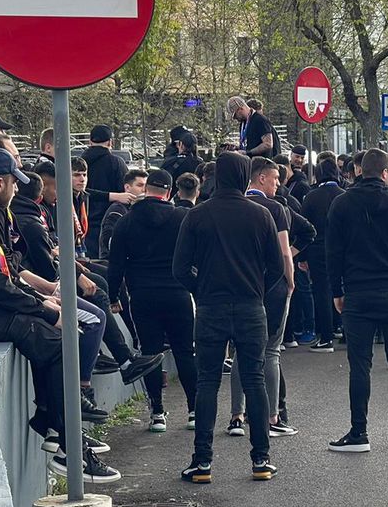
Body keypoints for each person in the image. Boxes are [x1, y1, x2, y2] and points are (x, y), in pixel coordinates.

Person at [0, 147, 121, 483]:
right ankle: (67, 447)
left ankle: (58, 430)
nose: (17, 189)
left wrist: (40, 300)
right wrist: (41, 307)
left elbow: (6, 274)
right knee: (53, 339)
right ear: (0, 183)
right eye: (15, 183)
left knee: (53, 335)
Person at [173, 152, 282, 483]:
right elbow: (277, 267)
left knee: (208, 381)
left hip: (211, 308)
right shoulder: (261, 215)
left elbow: (179, 268)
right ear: (246, 177)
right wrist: (257, 289)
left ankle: (202, 461)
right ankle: (261, 459)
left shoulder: (197, 216)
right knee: (254, 380)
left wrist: (201, 289)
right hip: (251, 307)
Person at [325, 149, 388, 452]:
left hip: (358, 293)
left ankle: (359, 432)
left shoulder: (341, 204)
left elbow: (333, 254)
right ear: (386, 172)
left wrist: (336, 292)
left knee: (360, 365)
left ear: (358, 171)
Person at [106, 169, 199, 432]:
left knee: (150, 352)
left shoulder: (126, 221)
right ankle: (193, 410)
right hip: (178, 293)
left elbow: (115, 266)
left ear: (147, 190)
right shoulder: (182, 217)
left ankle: (158, 412)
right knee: (185, 351)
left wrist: (113, 296)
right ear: (169, 192)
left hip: (142, 295)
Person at [225, 158, 299, 439]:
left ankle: (236, 415)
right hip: (272, 286)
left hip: (241, 285)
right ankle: (272, 416)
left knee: (241, 351)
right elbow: (283, 253)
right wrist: (290, 281)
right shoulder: (275, 208)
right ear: (261, 179)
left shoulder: (235, 207)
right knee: (270, 350)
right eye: (275, 179)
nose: (278, 183)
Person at [301, 158, 346, 352]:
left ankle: (326, 336)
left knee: (321, 291)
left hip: (318, 249)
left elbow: (303, 227)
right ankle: (345, 330)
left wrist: (302, 256)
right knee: (344, 287)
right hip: (344, 249)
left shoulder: (311, 196)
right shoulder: (344, 195)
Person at [80, 124, 134, 257]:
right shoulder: (116, 163)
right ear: (110, 142)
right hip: (108, 221)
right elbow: (125, 193)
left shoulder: (79, 163)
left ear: (90, 142)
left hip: (82, 222)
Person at [99, 169, 146, 259]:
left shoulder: (139, 208)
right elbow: (108, 239)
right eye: (140, 185)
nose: (144, 189)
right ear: (127, 187)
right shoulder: (118, 209)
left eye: (146, 186)